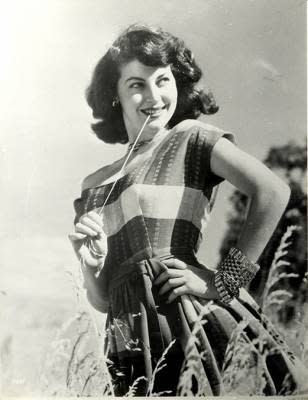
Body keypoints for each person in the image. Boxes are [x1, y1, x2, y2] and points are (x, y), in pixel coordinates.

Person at [69, 24, 307, 396]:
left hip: (194, 321)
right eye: (136, 84)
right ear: (114, 95)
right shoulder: (93, 185)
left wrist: (224, 281)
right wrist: (91, 264)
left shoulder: (190, 137)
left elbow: (273, 191)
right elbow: (103, 300)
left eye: (163, 80)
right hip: (131, 344)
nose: (154, 96)